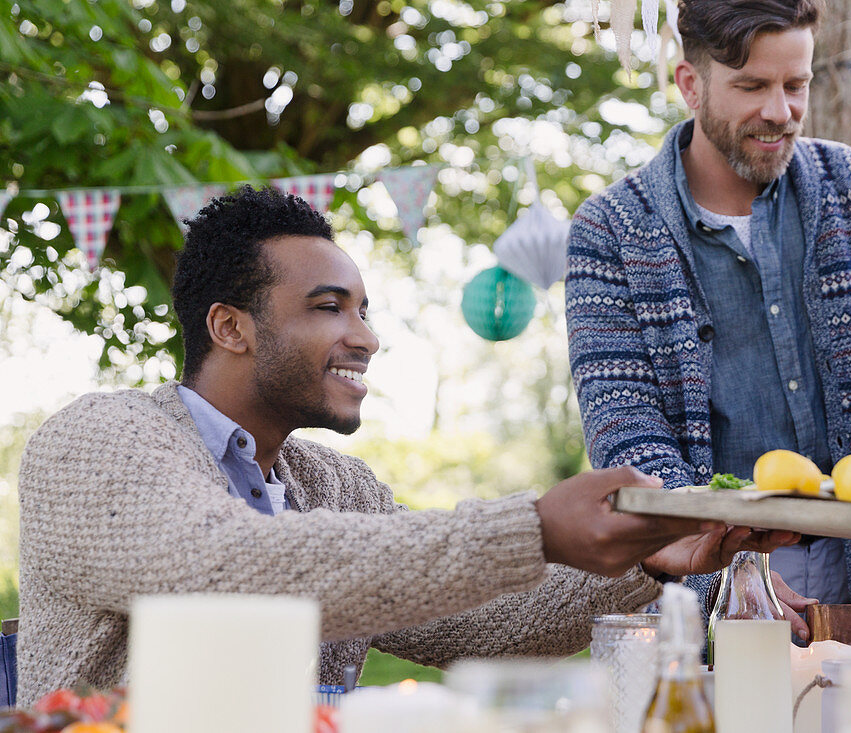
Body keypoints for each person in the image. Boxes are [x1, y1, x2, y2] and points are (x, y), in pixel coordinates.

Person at [15, 186, 803, 706]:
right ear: (231, 327)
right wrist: (532, 523)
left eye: (364, 310)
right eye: (331, 308)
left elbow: (479, 619)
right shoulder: (98, 441)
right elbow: (224, 566)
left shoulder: (336, 485)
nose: (366, 337)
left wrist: (648, 559)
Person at [565, 0, 851, 613]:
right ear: (691, 84)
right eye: (752, 86)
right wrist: (732, 574)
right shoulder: (611, 229)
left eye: (796, 85)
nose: (779, 111)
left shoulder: (850, 185)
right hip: (699, 588)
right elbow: (627, 434)